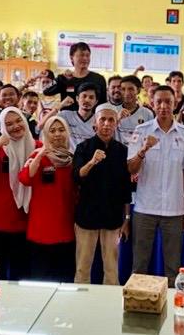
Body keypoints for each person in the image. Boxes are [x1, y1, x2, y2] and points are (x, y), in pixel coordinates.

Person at [128, 85, 184, 285]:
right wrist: (143, 150)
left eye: (168, 102)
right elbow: (131, 169)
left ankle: (173, 302)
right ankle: (138, 300)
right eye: (159, 102)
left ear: (175, 104)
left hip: (175, 211)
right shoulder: (141, 131)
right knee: (139, 266)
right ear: (152, 103)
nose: (163, 106)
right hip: (145, 208)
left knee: (173, 268)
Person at [73, 104, 132, 285]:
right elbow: (77, 176)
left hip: (112, 217)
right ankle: (81, 299)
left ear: (116, 124)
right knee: (83, 267)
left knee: (112, 268)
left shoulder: (122, 151)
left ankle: (111, 301)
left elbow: (126, 188)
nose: (106, 124)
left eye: (111, 120)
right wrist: (92, 162)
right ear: (95, 123)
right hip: (87, 216)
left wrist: (126, 219)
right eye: (102, 120)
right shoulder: (83, 147)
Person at [0, 107, 35, 280]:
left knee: (21, 276)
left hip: (24, 221)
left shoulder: (37, 147)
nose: (15, 126)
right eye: (9, 124)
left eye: (18, 121)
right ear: (2, 127)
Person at [18, 116, 76, 282]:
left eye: (61, 130)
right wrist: (40, 154)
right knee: (41, 279)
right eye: (52, 130)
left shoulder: (72, 159)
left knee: (64, 279)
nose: (57, 134)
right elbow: (25, 179)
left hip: (65, 227)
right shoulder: (38, 156)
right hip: (41, 228)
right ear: (45, 134)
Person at [43, 42, 107, 109]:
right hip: (67, 115)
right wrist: (59, 78)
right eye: (81, 55)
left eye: (87, 55)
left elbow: (103, 105)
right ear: (71, 58)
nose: (85, 58)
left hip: (91, 115)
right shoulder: (63, 78)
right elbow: (46, 90)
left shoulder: (99, 79)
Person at [53, 83, 98, 148]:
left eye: (91, 97)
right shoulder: (65, 115)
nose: (87, 100)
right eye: (84, 96)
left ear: (96, 102)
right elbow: (42, 125)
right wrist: (60, 105)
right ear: (77, 98)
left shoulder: (98, 120)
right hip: (67, 154)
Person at [117, 75, 154, 145]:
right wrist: (117, 120)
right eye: (123, 89)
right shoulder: (113, 111)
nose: (127, 93)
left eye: (131, 89)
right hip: (118, 151)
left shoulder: (147, 114)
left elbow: (149, 138)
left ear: (138, 90)